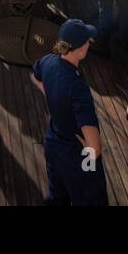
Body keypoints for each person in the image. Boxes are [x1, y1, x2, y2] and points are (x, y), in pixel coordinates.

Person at [31, 19, 107, 206]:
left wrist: (53, 95)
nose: (89, 44)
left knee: (57, 196)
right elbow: (94, 148)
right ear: (81, 49)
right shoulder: (78, 89)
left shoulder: (48, 61)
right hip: (79, 156)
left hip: (54, 144)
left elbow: (35, 75)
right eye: (87, 41)